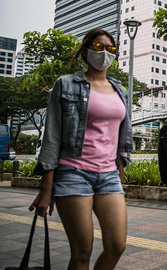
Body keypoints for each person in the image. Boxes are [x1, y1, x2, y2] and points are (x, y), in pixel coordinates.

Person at [29, 29, 132, 269]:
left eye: (110, 48)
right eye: (98, 47)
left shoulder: (121, 92)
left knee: (117, 245)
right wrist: (47, 189)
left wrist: (119, 170)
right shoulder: (65, 84)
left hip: (108, 177)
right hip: (73, 173)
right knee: (82, 250)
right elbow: (52, 136)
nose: (104, 52)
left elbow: (121, 137)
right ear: (86, 51)